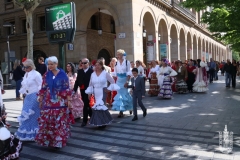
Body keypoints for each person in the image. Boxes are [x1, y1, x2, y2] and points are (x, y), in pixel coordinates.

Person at [35, 56, 72, 148]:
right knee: (49, 121)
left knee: (59, 122)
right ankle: (50, 141)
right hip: (48, 102)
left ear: (56, 64)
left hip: (60, 102)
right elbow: (43, 88)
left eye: (52, 64)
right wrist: (40, 99)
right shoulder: (46, 75)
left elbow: (67, 88)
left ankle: (58, 142)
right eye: (49, 64)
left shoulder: (63, 74)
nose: (50, 66)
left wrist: (69, 101)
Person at [85, 60, 119, 128]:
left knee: (101, 105)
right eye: (96, 65)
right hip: (96, 92)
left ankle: (102, 122)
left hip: (103, 91)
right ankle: (101, 121)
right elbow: (90, 84)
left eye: (98, 65)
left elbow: (112, 81)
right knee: (97, 107)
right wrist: (89, 93)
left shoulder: (105, 73)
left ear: (101, 66)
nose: (97, 66)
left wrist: (109, 89)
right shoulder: (93, 74)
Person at [15, 59, 42, 141]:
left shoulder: (36, 74)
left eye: (27, 67)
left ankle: (34, 133)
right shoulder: (26, 74)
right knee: (25, 113)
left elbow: (40, 85)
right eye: (24, 67)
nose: (25, 68)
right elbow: (24, 85)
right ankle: (26, 132)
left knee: (31, 114)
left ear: (31, 66)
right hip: (27, 96)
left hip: (35, 96)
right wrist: (22, 92)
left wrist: (40, 96)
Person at [112, 49, 133, 118]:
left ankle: (130, 107)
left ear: (122, 55)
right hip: (119, 81)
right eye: (117, 54)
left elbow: (129, 73)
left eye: (119, 54)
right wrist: (114, 82)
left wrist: (127, 82)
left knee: (126, 94)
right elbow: (115, 73)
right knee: (119, 95)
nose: (118, 56)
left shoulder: (127, 62)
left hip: (125, 80)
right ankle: (121, 111)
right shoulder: (116, 63)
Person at [74, 58, 93, 127]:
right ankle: (92, 116)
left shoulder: (91, 71)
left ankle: (84, 120)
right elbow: (77, 81)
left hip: (90, 90)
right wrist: (74, 90)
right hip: (82, 90)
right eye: (82, 63)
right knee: (87, 105)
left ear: (88, 63)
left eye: (85, 63)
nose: (83, 64)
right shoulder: (80, 71)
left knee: (85, 105)